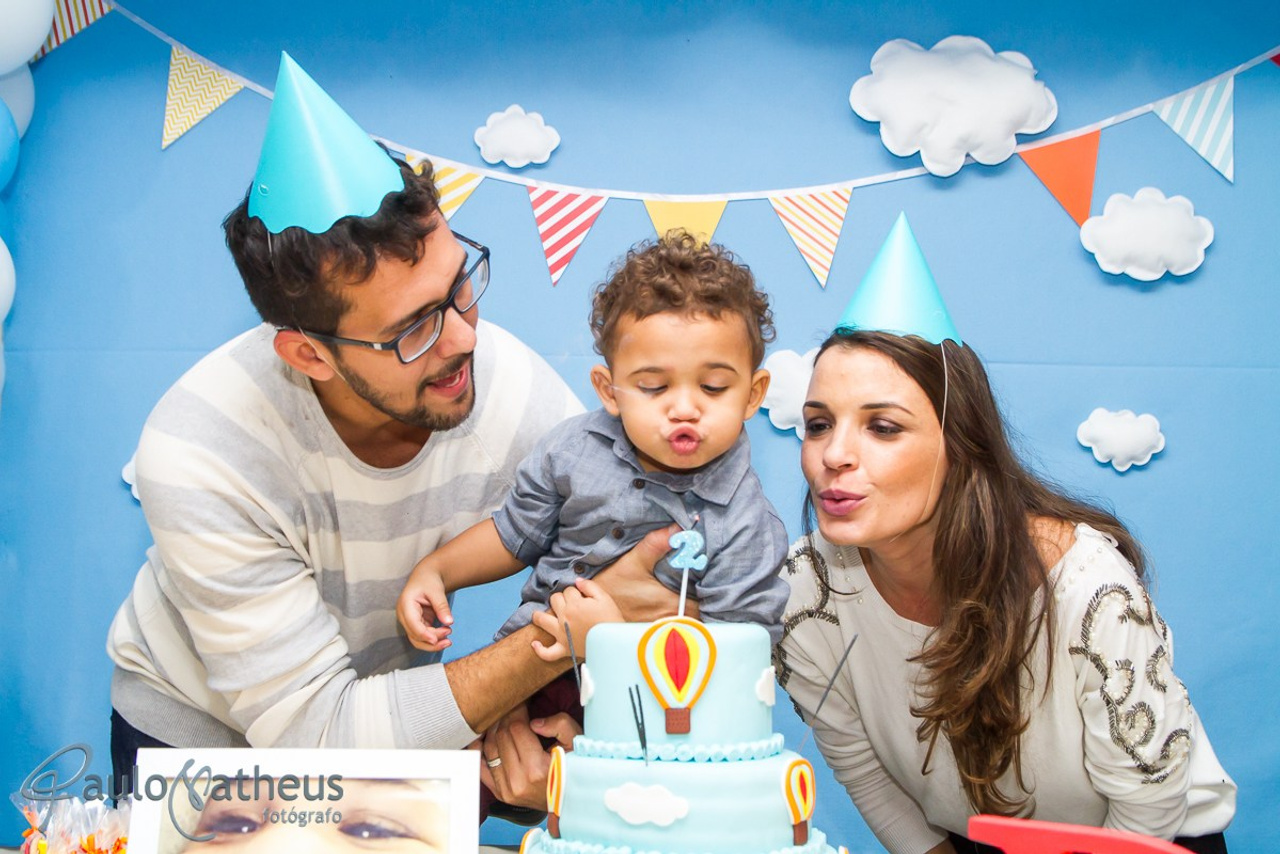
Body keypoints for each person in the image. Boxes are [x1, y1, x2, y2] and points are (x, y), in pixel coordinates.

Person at [104, 54, 681, 811]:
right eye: (412, 329)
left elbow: (644, 576)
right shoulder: (202, 449)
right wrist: (557, 642)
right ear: (308, 354)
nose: (463, 341)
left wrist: (570, 739)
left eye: (458, 286)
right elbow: (315, 738)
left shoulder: (513, 391)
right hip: (196, 740)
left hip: (379, 718)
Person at [773, 216, 1236, 854]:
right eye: (819, 424)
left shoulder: (1083, 586)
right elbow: (863, 770)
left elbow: (1148, 799)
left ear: (961, 446)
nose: (834, 454)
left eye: (883, 427)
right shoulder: (805, 590)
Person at [396, 231, 791, 818]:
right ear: (610, 390)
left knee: (618, 824)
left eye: (713, 386)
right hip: (521, 674)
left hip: (651, 721)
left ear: (754, 393)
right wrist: (438, 569)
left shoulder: (746, 520)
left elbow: (739, 660)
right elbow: (513, 533)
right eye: (654, 386)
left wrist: (617, 643)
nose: (685, 406)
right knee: (430, 806)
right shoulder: (571, 450)